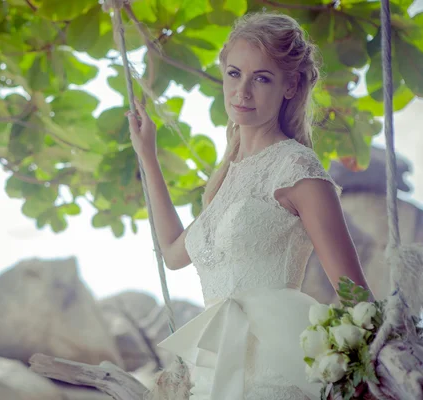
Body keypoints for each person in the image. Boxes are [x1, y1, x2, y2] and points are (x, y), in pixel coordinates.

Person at [125, 11, 373, 400]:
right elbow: (174, 255)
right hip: (216, 372)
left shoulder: (297, 168)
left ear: (290, 86)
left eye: (262, 78)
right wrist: (148, 157)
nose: (242, 92)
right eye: (234, 74)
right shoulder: (226, 177)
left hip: (278, 375)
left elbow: (354, 293)